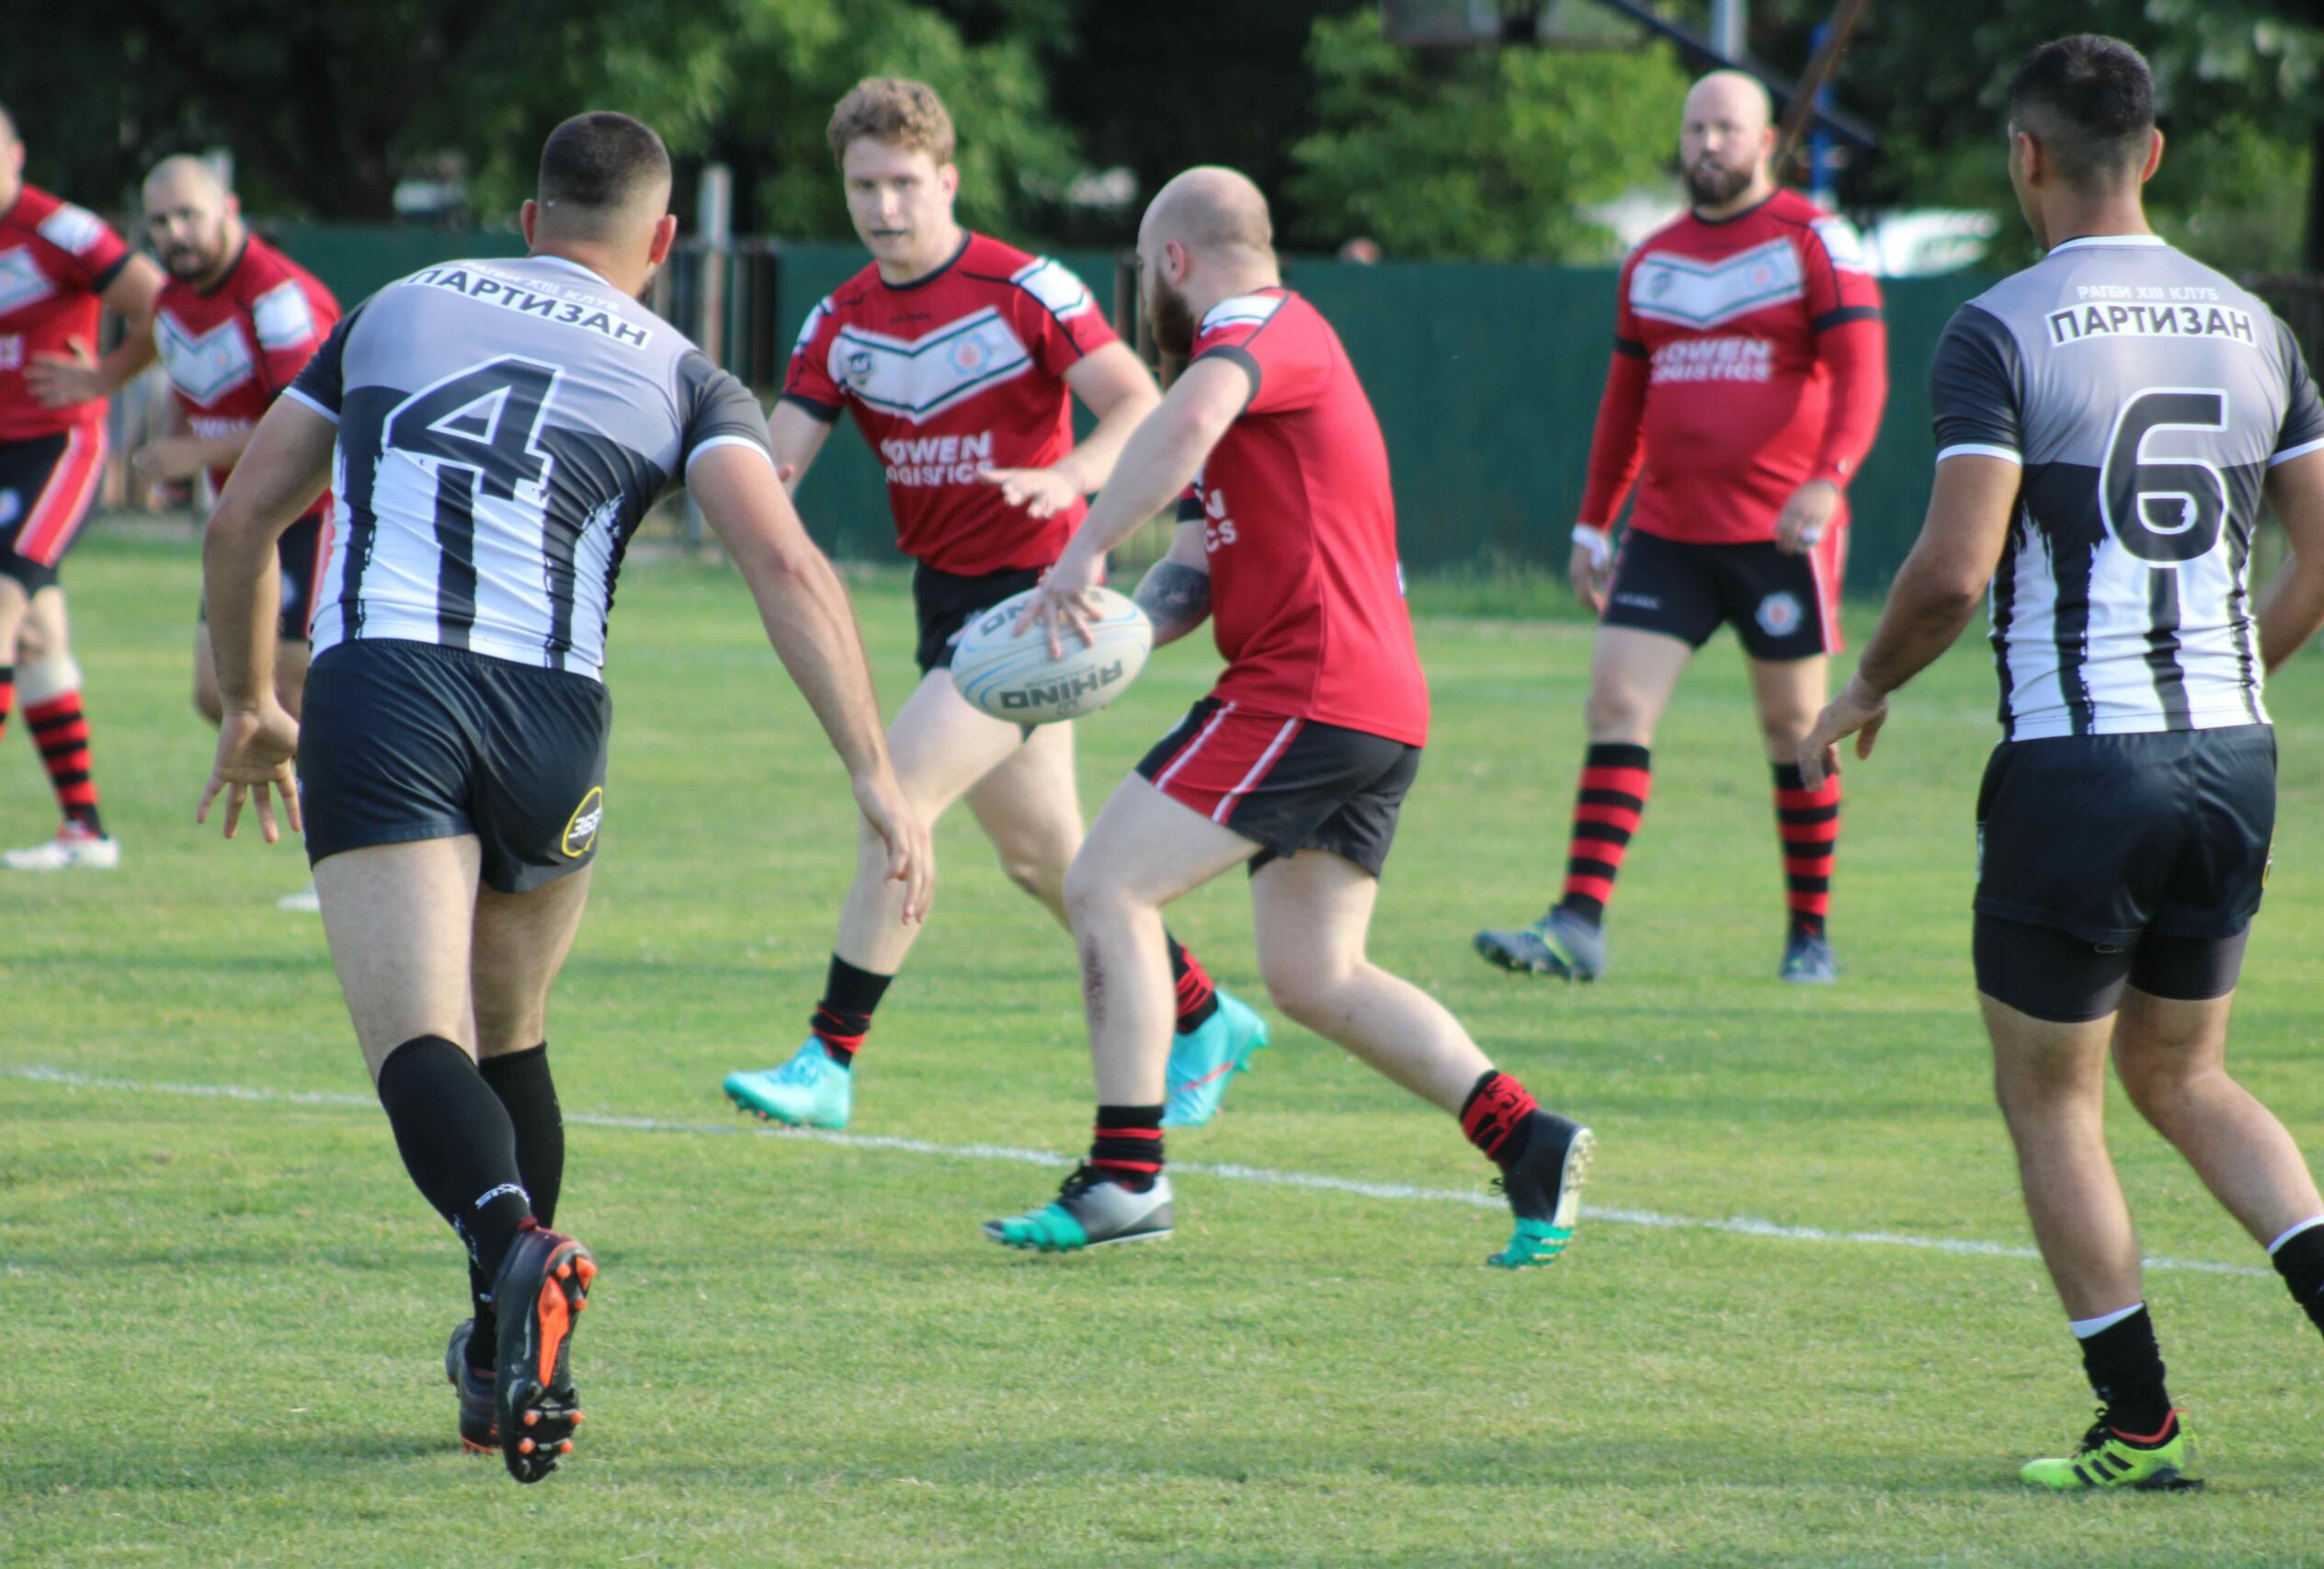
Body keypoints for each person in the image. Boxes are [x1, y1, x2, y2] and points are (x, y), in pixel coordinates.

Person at [198, 111, 931, 1483]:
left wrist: (249, 704)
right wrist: (875, 774)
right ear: (663, 241)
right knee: (513, 1032)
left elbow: (244, 518)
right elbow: (787, 565)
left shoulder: (396, 305)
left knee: (420, 1038)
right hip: (554, 716)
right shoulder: (687, 371)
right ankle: (499, 1361)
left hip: (391, 682)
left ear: (531, 221)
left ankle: (514, 1245)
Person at [1799, 35, 2324, 1491]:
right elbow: (2319, 557)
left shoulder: (2003, 327)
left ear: (2024, 157)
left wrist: (1866, 682)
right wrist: (2223, 684)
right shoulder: (2253, 324)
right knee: (2190, 1073)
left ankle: (2139, 1423)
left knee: (2054, 1095)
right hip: (2232, 753)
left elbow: (1952, 570)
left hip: (2083, 766)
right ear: (2151, 152)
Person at [985, 167, 1593, 1265]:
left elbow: (1180, 423)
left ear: (1174, 261)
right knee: (1316, 976)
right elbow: (1192, 567)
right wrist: (1104, 639)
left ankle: (1125, 1177)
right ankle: (1527, 1138)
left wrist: (1080, 549)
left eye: (1144, 269)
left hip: (1307, 688)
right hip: (1364, 703)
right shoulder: (1245, 373)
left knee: (1104, 884)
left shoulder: (1256, 326)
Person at [722, 79, 1262, 1133]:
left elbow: (1137, 403)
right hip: (945, 601)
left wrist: (1073, 479)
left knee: (895, 796)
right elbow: (775, 464)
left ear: (948, 179)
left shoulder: (1025, 289)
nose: (883, 207)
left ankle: (829, 1059)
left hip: (1039, 601)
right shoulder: (841, 321)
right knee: (1046, 859)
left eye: (903, 183)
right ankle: (1207, 1016)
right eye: (863, 187)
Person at [1473, 70, 1887, 984]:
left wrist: (1827, 481)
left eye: (1726, 129)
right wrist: (1592, 525)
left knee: (1794, 728)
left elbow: (1864, 377)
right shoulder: (1652, 259)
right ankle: (1578, 924)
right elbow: (1625, 402)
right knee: (1615, 705)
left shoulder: (1815, 240)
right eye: (1696, 128)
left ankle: (1809, 934)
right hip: (1666, 530)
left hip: (1780, 535)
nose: (1707, 144)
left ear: (1765, 141)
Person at [44, 154, 341, 910]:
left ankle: (352, 855)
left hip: (311, 511)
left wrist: (191, 453)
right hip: (245, 521)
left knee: (295, 683)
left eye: (189, 215)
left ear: (230, 210)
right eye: (160, 222)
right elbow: (181, 361)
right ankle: (360, 831)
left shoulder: (276, 297)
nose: (175, 233)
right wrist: (113, 385)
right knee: (222, 692)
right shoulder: (175, 298)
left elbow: (311, 427)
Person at [0, 92, 163, 870]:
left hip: (54, 451)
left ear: (16, 154)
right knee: (35, 633)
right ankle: (85, 829)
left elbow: (164, 307)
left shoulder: (62, 231)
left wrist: (106, 377)